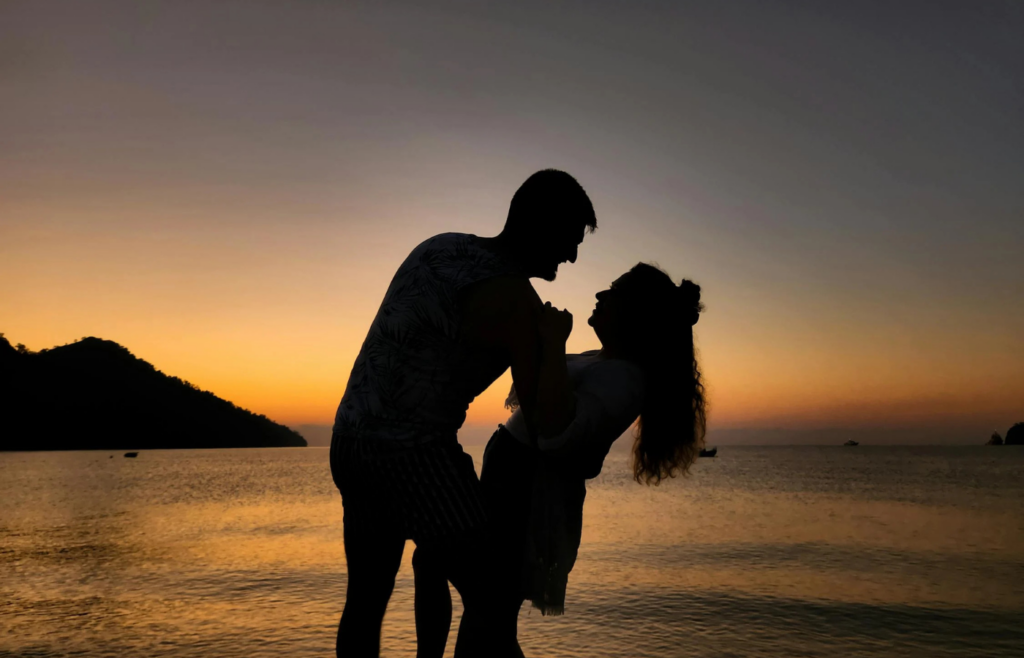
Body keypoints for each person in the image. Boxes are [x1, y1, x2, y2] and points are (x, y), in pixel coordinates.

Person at [330, 169, 597, 658]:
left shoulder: (440, 246)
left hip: (350, 441)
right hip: (414, 455)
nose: (573, 255)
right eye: (569, 239)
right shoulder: (518, 300)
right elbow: (546, 421)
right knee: (493, 597)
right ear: (540, 224)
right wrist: (554, 342)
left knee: (365, 602)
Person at [412, 262, 707, 654]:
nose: (601, 296)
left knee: (484, 614)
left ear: (634, 313)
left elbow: (556, 432)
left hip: (526, 500)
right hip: (511, 490)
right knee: (482, 611)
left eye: (613, 292)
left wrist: (552, 344)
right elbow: (533, 393)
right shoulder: (601, 360)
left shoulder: (625, 378)